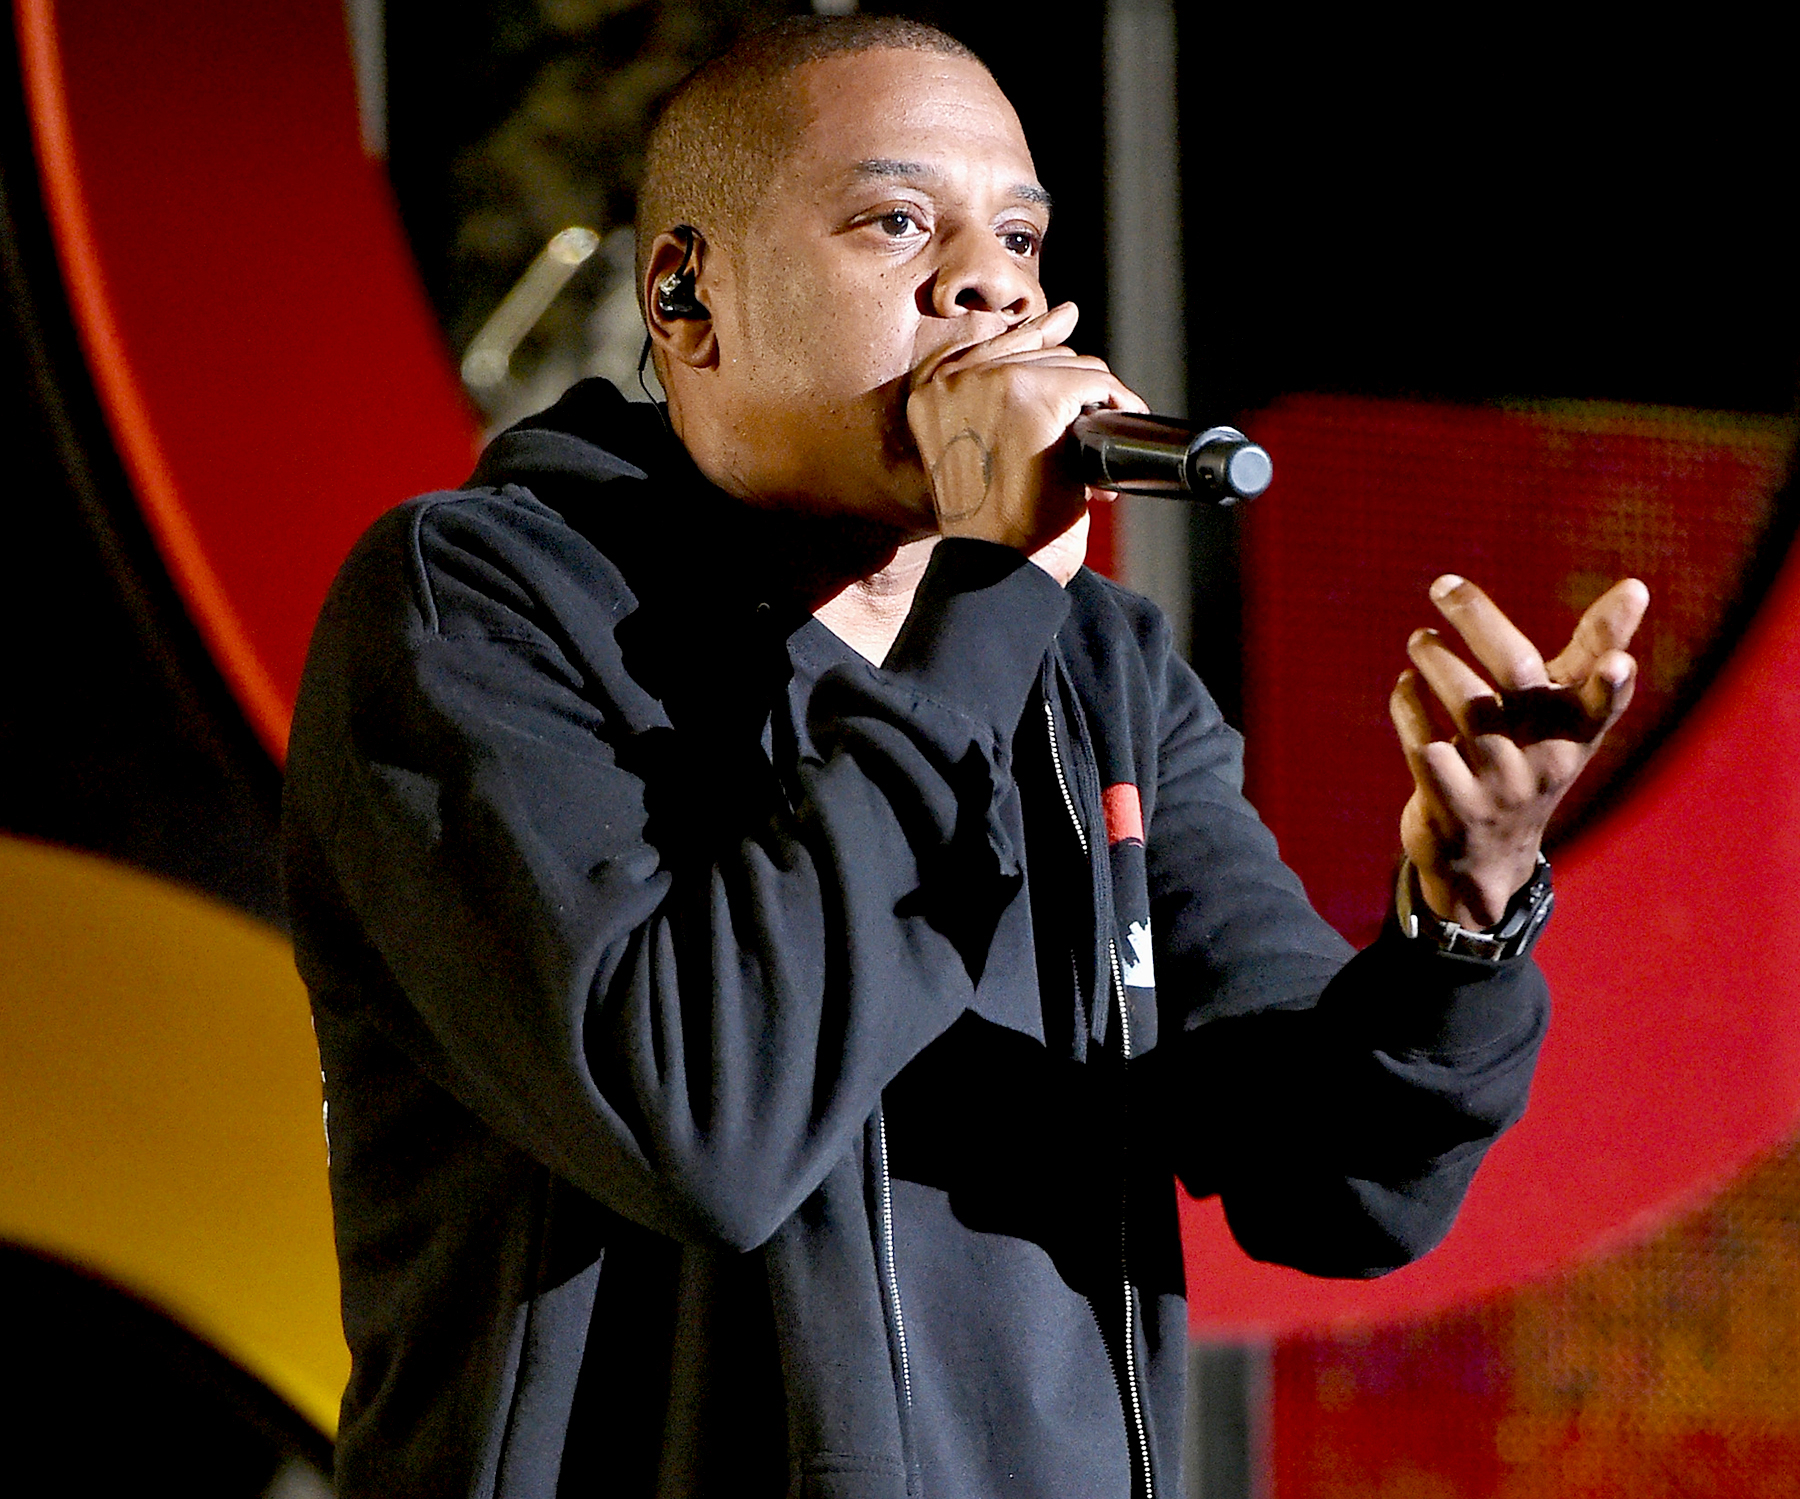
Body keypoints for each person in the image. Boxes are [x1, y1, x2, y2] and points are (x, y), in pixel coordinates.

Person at [282, 16, 1647, 1499]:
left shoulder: (1093, 671)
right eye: (895, 223)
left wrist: (1462, 918)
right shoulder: (480, 605)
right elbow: (701, 1120)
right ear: (686, 297)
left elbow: (1335, 1183)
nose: (986, 285)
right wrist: (986, 608)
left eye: (1018, 239)